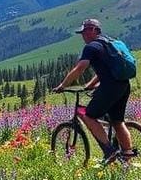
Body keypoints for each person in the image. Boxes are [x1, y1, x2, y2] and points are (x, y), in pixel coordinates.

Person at [53, 18, 135, 164]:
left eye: (84, 32)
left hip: (109, 87)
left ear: (92, 30)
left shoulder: (91, 47)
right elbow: (105, 70)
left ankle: (109, 151)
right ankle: (127, 156)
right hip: (124, 85)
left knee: (89, 116)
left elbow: (80, 68)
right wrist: (90, 85)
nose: (82, 36)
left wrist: (63, 85)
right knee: (117, 121)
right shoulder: (110, 44)